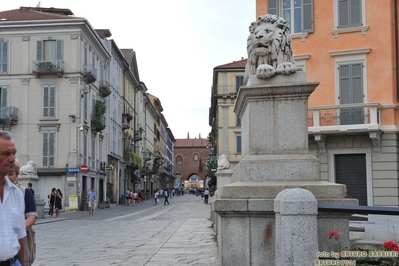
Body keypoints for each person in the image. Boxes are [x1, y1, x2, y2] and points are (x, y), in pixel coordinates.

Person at [0, 131, 26, 265]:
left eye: (13, 153)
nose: (12, 158)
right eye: (5, 154)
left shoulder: (16, 194)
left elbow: (20, 237)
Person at [9, 159, 37, 266]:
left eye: (11, 174)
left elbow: (32, 216)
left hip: (21, 239)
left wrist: (16, 230)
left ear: (16, 175)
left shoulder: (24, 192)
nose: (7, 177)